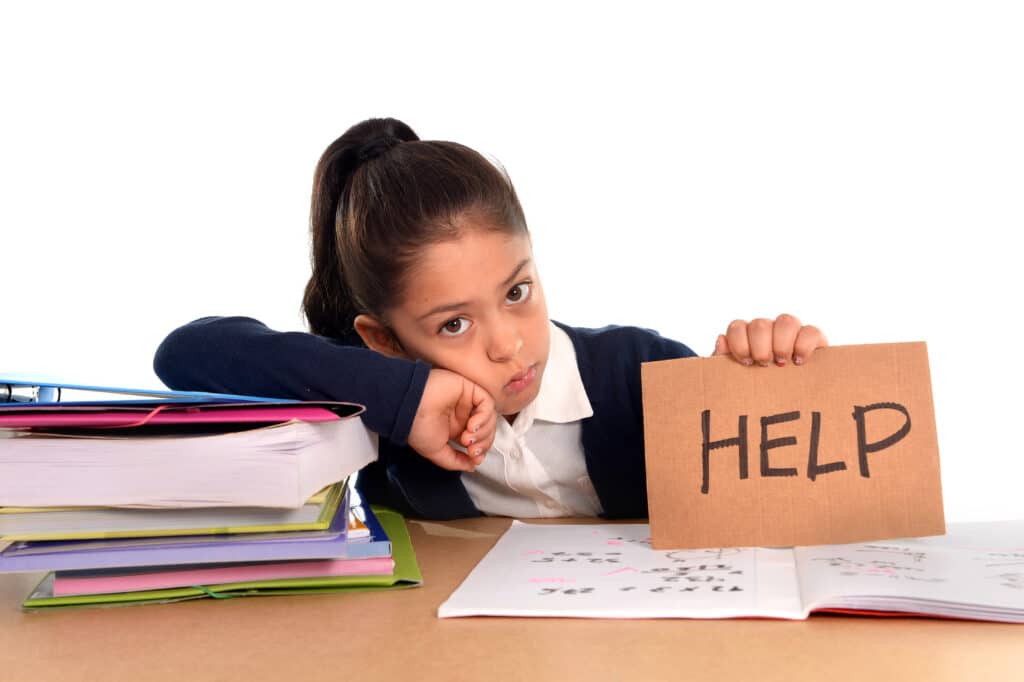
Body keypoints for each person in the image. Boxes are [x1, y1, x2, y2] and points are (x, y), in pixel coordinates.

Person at [154, 117, 827, 520]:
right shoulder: (387, 415)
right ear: (383, 340)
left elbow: (794, 492)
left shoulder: (638, 373)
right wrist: (403, 396)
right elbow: (184, 353)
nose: (509, 344)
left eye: (516, 292)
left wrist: (776, 373)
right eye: (454, 324)